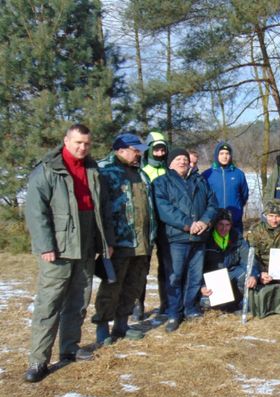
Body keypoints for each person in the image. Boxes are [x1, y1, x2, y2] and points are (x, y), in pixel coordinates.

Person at [24, 124, 114, 383]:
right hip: (59, 246)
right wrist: (45, 245)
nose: (82, 148)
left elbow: (103, 208)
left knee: (78, 301)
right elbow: (36, 211)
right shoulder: (47, 170)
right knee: (49, 304)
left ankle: (70, 348)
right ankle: (38, 360)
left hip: (86, 244)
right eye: (77, 143)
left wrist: (105, 241)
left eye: (87, 143)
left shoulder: (93, 169)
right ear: (65, 140)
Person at [92, 133, 157, 345]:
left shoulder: (142, 175)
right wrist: (104, 241)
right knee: (112, 287)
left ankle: (122, 325)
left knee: (134, 286)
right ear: (120, 150)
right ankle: (103, 326)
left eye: (139, 149)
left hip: (142, 243)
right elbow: (99, 209)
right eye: (134, 149)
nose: (139, 153)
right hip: (118, 242)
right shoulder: (106, 173)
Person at [153, 148, 218, 333]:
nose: (182, 162)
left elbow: (212, 203)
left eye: (185, 159)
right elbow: (164, 209)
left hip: (199, 237)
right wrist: (188, 224)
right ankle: (174, 312)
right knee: (175, 277)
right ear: (170, 162)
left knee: (195, 276)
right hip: (176, 237)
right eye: (178, 159)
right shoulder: (161, 182)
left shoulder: (200, 181)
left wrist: (205, 221)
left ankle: (191, 308)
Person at [131, 131, 170, 321]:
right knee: (141, 267)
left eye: (163, 149)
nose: (160, 153)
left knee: (166, 266)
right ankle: (138, 303)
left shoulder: (168, 170)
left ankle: (166, 302)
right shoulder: (142, 171)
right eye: (157, 149)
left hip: (165, 226)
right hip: (146, 226)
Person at [201, 209, 258, 309]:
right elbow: (197, 267)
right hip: (212, 277)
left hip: (231, 272)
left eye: (227, 225)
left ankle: (242, 301)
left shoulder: (237, 237)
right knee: (208, 304)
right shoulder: (206, 239)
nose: (224, 228)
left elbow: (248, 260)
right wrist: (202, 286)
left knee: (245, 274)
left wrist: (253, 275)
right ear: (215, 224)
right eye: (220, 224)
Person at [202, 142, 249, 233]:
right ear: (216, 155)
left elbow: (244, 195)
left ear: (231, 155)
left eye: (227, 153)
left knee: (236, 246)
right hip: (213, 222)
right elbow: (203, 198)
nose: (225, 156)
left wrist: (237, 211)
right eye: (221, 153)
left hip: (234, 222)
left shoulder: (239, 174)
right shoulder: (207, 174)